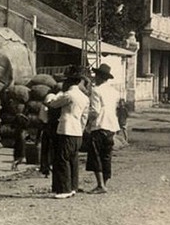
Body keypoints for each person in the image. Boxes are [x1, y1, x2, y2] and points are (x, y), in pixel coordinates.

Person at [46, 66, 90, 199]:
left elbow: (53, 104)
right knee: (73, 159)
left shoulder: (69, 95)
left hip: (66, 129)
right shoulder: (84, 98)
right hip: (77, 131)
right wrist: (80, 130)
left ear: (70, 82)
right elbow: (84, 117)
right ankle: (73, 186)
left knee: (62, 159)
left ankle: (64, 189)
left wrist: (50, 97)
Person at [85, 63, 120, 194]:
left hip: (100, 125)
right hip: (112, 125)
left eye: (96, 75)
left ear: (100, 77)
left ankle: (100, 185)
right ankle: (104, 183)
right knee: (106, 156)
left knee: (95, 155)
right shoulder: (114, 92)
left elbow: (95, 111)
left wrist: (87, 124)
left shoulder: (96, 90)